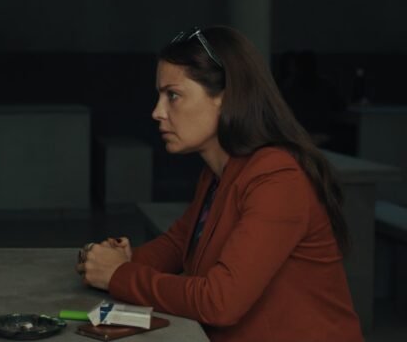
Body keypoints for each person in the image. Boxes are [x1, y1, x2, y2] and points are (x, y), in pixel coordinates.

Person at [75, 26, 363, 342]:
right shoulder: (218, 172)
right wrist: (116, 259)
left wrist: (118, 274)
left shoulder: (278, 177)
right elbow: (179, 244)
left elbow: (220, 302)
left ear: (225, 99)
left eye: (173, 96)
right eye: (159, 96)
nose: (157, 112)